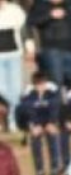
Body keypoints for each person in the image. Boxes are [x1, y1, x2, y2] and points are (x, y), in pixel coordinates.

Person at [29, 0, 71, 89]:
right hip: (51, 50)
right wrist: (50, 15)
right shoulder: (41, 4)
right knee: (55, 83)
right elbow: (32, 21)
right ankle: (56, 102)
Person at [18, 73, 65, 175]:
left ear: (46, 84)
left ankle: (55, 168)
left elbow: (55, 109)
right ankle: (39, 170)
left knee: (53, 138)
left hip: (49, 122)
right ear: (34, 85)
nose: (40, 87)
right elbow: (28, 112)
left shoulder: (52, 94)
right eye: (37, 85)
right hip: (36, 123)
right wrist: (32, 126)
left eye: (42, 84)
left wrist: (52, 123)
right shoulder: (29, 96)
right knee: (35, 141)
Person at [0, 0, 25, 128]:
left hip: (14, 54)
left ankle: (14, 120)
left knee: (15, 89)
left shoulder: (14, 9)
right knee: (2, 89)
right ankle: (4, 120)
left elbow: (22, 28)